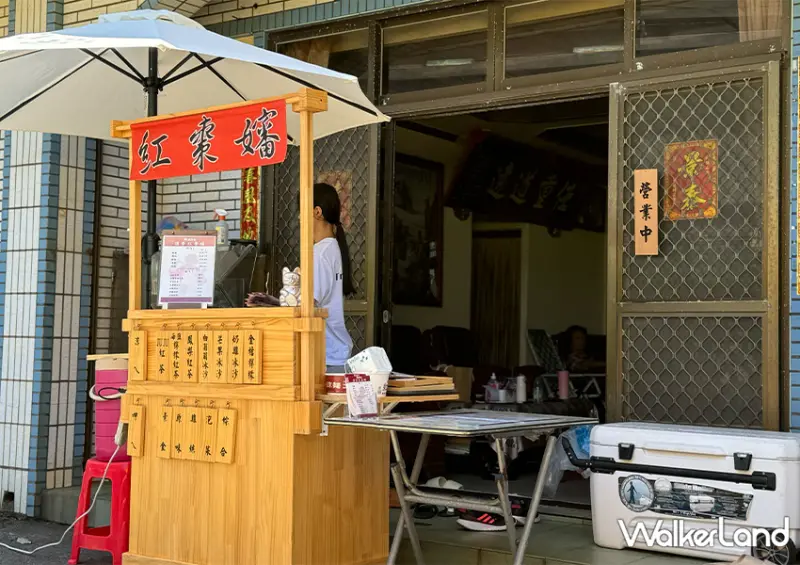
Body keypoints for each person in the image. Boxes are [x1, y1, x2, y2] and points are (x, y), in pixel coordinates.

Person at [312, 183, 354, 372]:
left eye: (301, 211)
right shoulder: (332, 248)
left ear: (317, 211)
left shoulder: (320, 253)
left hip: (325, 356)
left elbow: (308, 306)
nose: (298, 218)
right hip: (336, 355)